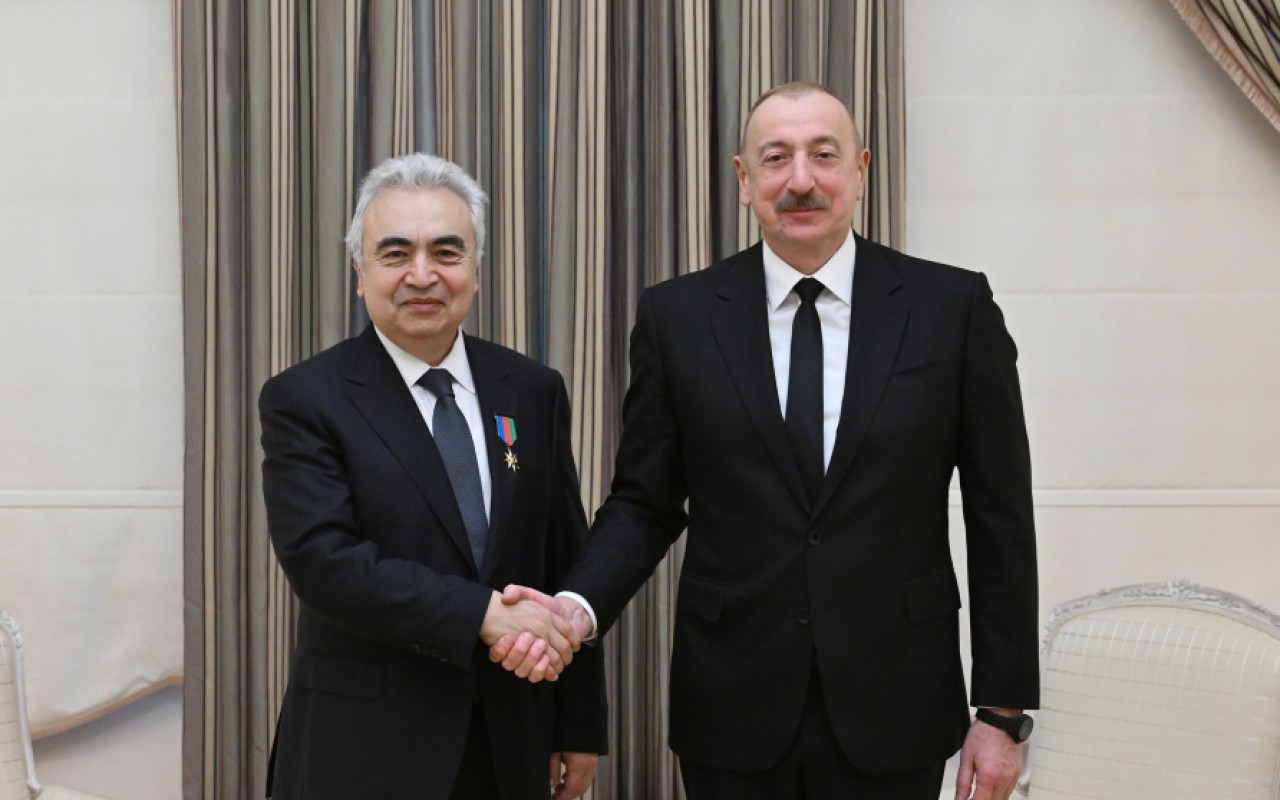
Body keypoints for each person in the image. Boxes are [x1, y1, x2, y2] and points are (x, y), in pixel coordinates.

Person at [496, 82, 1039, 799]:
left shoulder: (952, 309)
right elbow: (644, 504)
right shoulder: (678, 317)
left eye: (824, 155)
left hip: (895, 699)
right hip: (732, 701)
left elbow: (1001, 517)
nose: (801, 180)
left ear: (861, 171)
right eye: (776, 158)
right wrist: (576, 607)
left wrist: (1002, 712)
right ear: (744, 180)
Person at [258, 152, 606, 800]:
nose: (422, 275)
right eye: (395, 254)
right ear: (360, 273)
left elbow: (565, 559)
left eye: (446, 252)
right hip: (365, 750)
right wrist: (482, 614)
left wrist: (578, 721)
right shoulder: (306, 398)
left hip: (511, 739)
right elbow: (323, 562)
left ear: (476, 269)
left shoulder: (532, 389)